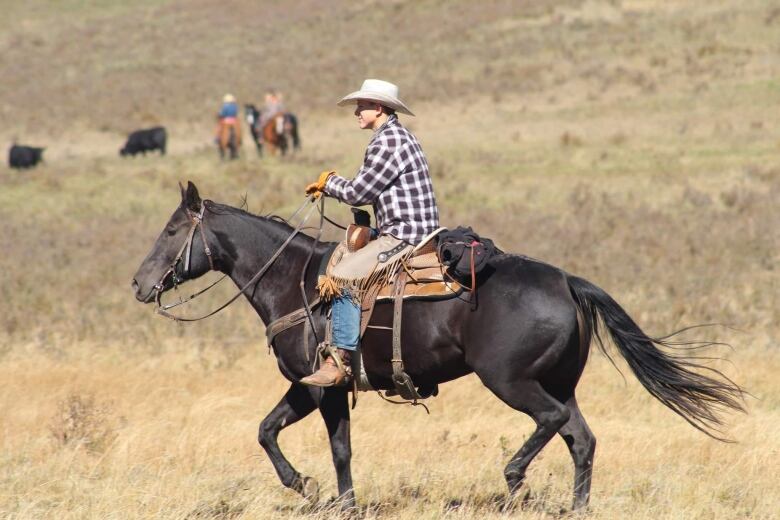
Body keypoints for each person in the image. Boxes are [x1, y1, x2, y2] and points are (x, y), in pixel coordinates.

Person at [300, 79, 440, 387]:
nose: (357, 113)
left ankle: (340, 359)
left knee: (344, 275)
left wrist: (329, 182)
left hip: (406, 234)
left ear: (378, 108)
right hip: (408, 227)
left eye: (361, 107)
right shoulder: (398, 135)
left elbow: (358, 192)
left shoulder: (387, 141)